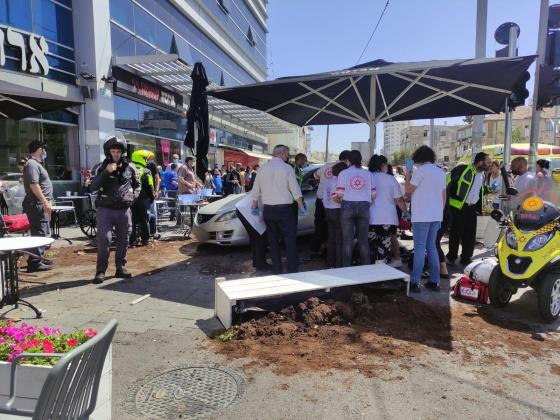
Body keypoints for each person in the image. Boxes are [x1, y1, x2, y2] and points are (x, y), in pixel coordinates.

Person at [89, 134, 139, 283]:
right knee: (105, 239)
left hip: (124, 210)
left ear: (122, 152)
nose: (116, 154)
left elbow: (137, 184)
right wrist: (106, 172)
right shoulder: (99, 167)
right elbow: (92, 187)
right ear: (108, 152)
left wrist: (133, 196)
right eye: (113, 151)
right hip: (105, 209)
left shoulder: (131, 167)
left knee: (124, 240)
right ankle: (100, 271)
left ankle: (120, 268)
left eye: (118, 152)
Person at [251, 144, 305, 274]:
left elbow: (255, 191)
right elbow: (295, 189)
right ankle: (292, 269)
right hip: (285, 210)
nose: (288, 157)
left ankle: (277, 268)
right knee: (290, 239)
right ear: (282, 153)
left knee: (273, 240)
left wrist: (254, 207)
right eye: (287, 154)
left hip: (268, 210)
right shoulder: (287, 168)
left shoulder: (262, 169)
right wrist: (301, 206)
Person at [405, 146, 446, 293]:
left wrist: (407, 173)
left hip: (421, 215)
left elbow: (408, 191)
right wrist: (439, 213)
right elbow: (443, 195)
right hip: (436, 215)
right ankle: (434, 281)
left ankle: (415, 282)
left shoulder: (420, 171)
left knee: (420, 248)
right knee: (432, 248)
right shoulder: (440, 172)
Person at [446, 151, 491, 266]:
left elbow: (477, 190)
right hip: (458, 207)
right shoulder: (463, 169)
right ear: (480, 162)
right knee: (456, 233)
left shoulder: (483, 174)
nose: (490, 164)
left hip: (472, 208)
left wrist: (489, 190)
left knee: (470, 234)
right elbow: (447, 181)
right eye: (488, 162)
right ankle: (451, 257)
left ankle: (466, 258)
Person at [336, 150, 376, 267]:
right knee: (363, 241)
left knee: (347, 241)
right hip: (364, 207)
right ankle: (365, 270)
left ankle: (347, 271)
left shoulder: (343, 173)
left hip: (347, 207)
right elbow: (374, 195)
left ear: (348, 160)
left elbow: (339, 194)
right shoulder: (368, 174)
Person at [368, 155, 407, 266]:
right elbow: (398, 199)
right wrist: (406, 212)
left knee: (370, 245)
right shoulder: (390, 179)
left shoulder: (368, 177)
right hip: (388, 218)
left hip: (370, 217)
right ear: (382, 165)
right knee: (384, 246)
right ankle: (381, 271)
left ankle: (369, 270)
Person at [22, 140, 53, 272]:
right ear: (40, 150)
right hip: (36, 204)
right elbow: (34, 184)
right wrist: (45, 202)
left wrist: (47, 201)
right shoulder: (32, 164)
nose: (45, 152)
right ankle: (34, 262)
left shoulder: (35, 164)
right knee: (39, 232)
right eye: (44, 149)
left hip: (39, 204)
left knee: (42, 231)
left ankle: (36, 259)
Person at [311, 150, 350, 254]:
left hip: (321, 199)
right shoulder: (345, 169)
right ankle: (332, 253)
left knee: (319, 225)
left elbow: (315, 176)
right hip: (336, 203)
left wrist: (322, 184)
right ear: (347, 160)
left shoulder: (326, 166)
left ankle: (316, 248)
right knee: (336, 230)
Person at [323, 161, 347, 268]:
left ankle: (330, 263)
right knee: (339, 240)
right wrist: (346, 202)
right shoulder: (338, 182)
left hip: (328, 210)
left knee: (331, 239)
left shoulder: (329, 181)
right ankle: (339, 265)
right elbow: (335, 197)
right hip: (337, 211)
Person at [128, 150, 155, 247]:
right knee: (144, 219)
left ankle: (132, 241)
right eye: (145, 158)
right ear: (140, 158)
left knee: (132, 220)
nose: (146, 161)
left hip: (130, 198)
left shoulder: (128, 169)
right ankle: (146, 240)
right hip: (143, 199)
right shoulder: (146, 171)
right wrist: (152, 197)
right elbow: (150, 186)